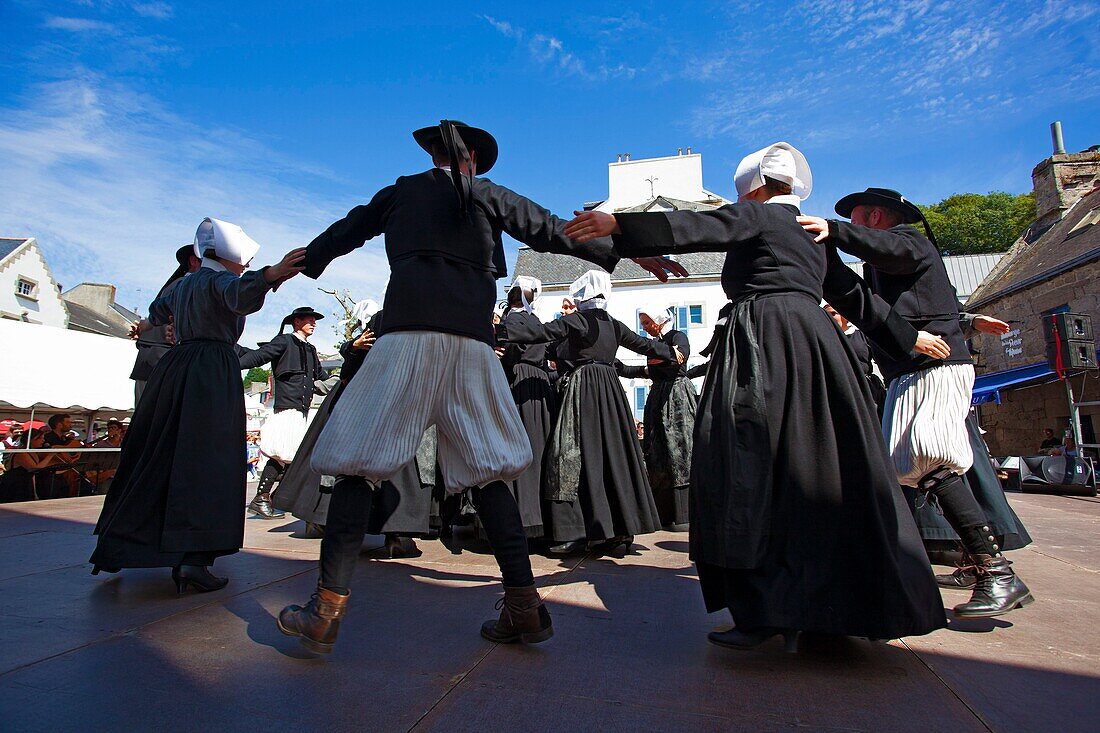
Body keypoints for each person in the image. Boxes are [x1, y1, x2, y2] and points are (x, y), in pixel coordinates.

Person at [277, 120, 685, 655]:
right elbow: (555, 229)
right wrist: (629, 251)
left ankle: (325, 611)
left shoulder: (400, 192)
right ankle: (523, 607)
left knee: (357, 466)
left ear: (437, 155)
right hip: (472, 345)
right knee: (489, 472)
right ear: (472, 157)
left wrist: (293, 268)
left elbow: (342, 232)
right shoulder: (492, 197)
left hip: (408, 338)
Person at [566, 142, 950, 650]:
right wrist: (908, 337)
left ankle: (766, 608)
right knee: (819, 469)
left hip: (762, 341)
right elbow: (855, 297)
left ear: (757, 187)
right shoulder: (811, 231)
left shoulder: (760, 217)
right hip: (814, 346)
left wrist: (619, 225)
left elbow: (701, 227)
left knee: (746, 467)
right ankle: (827, 609)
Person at [799, 187, 1033, 618]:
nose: (856, 223)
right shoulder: (886, 264)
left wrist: (833, 231)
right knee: (910, 468)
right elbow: (879, 304)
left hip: (936, 367)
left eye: (859, 217)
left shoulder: (910, 241)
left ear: (875, 216)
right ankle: (974, 561)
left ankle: (995, 570)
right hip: (910, 372)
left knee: (928, 458)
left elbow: (890, 254)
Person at [90, 217, 306, 593]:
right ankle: (193, 559)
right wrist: (275, 273)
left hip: (176, 369)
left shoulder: (183, 284)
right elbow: (240, 294)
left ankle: (119, 545)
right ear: (229, 254)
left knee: (156, 453)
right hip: (209, 370)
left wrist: (160, 328)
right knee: (206, 460)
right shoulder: (218, 280)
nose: (247, 265)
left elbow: (157, 312)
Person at [497, 270, 682, 556]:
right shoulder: (614, 323)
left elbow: (543, 332)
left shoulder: (576, 320)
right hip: (610, 391)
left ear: (582, 296)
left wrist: (502, 330)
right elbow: (643, 344)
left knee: (572, 454)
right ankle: (621, 530)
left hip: (583, 389)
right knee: (615, 455)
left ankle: (578, 531)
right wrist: (671, 352)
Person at [273, 301, 440, 557]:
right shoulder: (424, 322)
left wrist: (350, 349)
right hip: (399, 399)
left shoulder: (388, 319)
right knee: (398, 467)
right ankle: (396, 534)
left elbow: (351, 368)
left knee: (355, 468)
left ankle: (335, 525)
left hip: (370, 399)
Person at [239, 306, 330, 519]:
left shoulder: (310, 349)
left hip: (302, 411)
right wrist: (230, 363)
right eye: (310, 319)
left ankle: (275, 498)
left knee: (295, 457)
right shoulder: (284, 341)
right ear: (297, 322)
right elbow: (259, 357)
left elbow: (321, 375)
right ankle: (262, 498)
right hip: (287, 409)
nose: (314, 323)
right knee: (284, 455)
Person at [618, 302, 697, 531]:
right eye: (642, 324)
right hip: (657, 399)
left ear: (659, 319)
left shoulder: (676, 336)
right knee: (658, 450)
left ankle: (685, 513)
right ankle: (665, 513)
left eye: (647, 322)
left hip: (677, 397)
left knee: (680, 448)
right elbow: (645, 370)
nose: (644, 327)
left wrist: (653, 352)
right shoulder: (657, 344)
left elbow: (679, 357)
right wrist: (618, 367)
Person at [493, 276, 555, 539]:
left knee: (514, 450)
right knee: (538, 449)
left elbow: (506, 354)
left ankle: (517, 519)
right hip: (539, 388)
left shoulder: (509, 321)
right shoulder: (537, 322)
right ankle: (539, 520)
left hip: (515, 383)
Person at [131, 245, 202, 403]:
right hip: (162, 358)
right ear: (193, 261)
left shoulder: (179, 283)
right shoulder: (187, 284)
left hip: (155, 358)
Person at [823, 303, 887, 414]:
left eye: (834, 313)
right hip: (840, 390)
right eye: (827, 314)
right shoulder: (824, 341)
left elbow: (882, 359)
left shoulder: (862, 336)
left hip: (868, 390)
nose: (831, 317)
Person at [0, 427, 54, 503]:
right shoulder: (21, 453)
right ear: (31, 439)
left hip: (26, 484)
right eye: (40, 438)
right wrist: (50, 456)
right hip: (15, 485)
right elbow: (34, 468)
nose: (43, 440)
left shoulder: (33, 452)